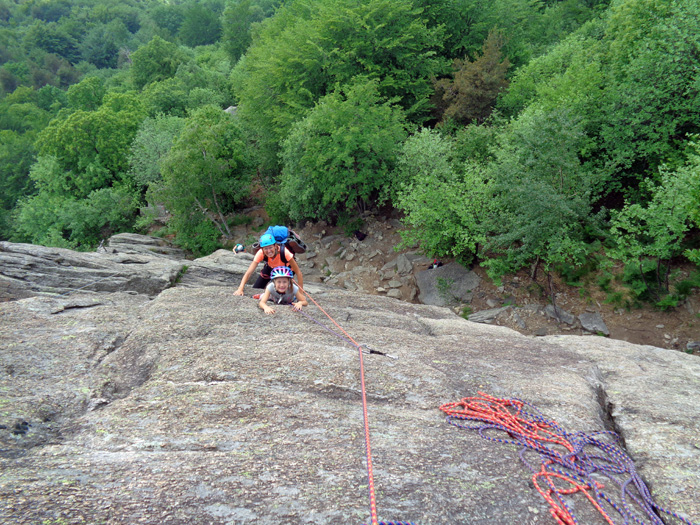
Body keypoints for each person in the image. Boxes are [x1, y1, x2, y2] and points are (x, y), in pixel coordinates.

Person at [233, 233, 304, 295]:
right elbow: (249, 272)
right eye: (266, 248)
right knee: (256, 288)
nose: (269, 251)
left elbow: (298, 272)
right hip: (271, 268)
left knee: (283, 292)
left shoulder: (284, 252)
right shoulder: (261, 253)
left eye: (270, 247)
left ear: (275, 246)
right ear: (262, 249)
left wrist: (301, 293)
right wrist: (240, 288)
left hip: (286, 270)